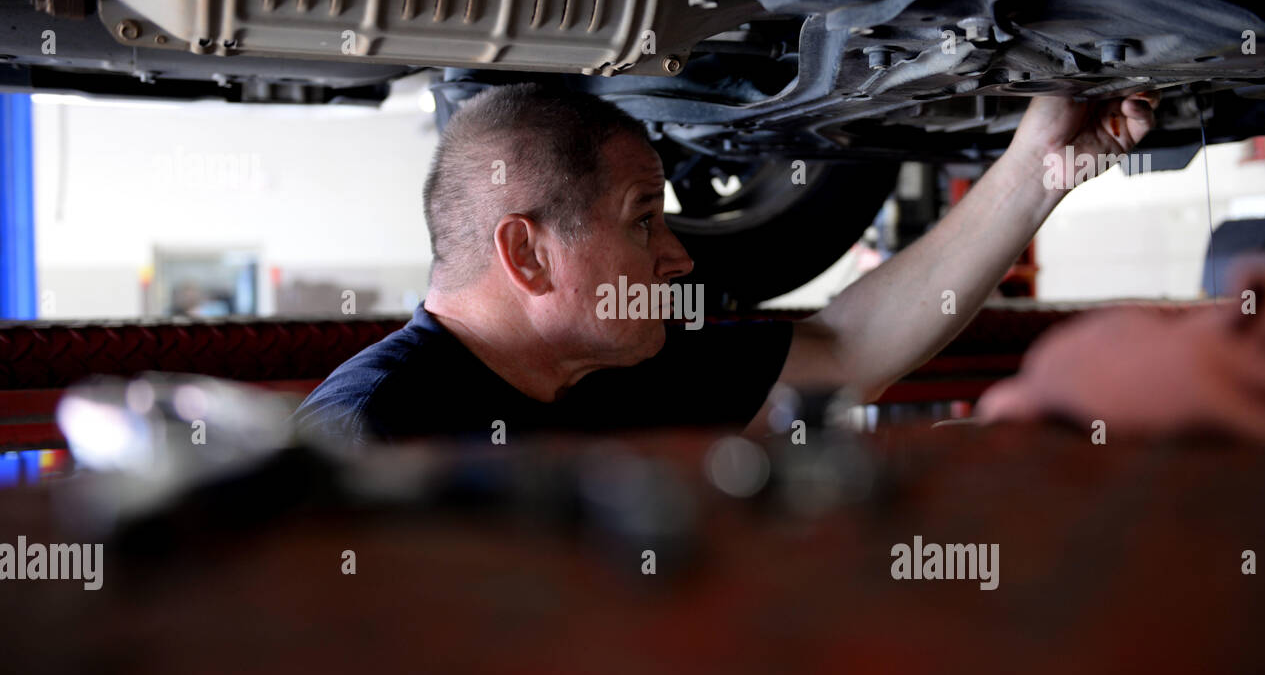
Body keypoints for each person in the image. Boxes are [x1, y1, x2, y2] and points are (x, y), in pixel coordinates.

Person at [293, 82, 1158, 444]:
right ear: (527, 253)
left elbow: (847, 351)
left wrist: (1039, 171)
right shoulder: (366, 433)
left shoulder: (621, 365)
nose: (675, 257)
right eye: (643, 222)